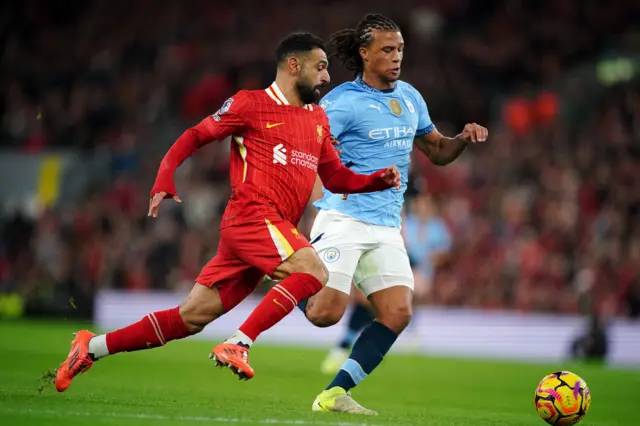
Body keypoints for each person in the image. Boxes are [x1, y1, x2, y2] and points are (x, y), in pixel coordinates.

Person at [54, 32, 401, 392]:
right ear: (294, 65)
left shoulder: (317, 119)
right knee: (313, 270)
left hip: (266, 230)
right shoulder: (249, 104)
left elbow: (335, 177)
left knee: (190, 318)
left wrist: (376, 180)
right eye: (321, 67)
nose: (327, 77)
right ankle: (240, 342)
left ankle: (90, 347)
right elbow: (194, 136)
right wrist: (164, 176)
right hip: (252, 217)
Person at [296, 14, 488, 414]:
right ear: (365, 54)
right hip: (344, 217)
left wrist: (462, 140)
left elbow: (437, 151)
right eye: (387, 49)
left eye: (399, 49)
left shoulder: (411, 98)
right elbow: (307, 149)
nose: (396, 57)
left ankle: (334, 394)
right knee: (325, 314)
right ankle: (281, 265)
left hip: (386, 226)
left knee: (398, 313)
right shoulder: (341, 102)